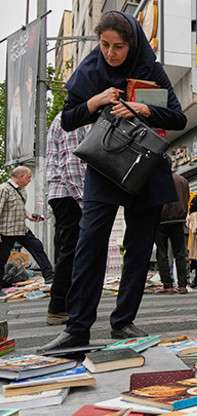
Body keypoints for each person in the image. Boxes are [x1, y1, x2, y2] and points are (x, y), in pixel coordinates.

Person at [39, 11, 187, 352]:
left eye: (118, 46)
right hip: (104, 164)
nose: (111, 53)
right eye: (104, 45)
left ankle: (123, 323)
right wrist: (97, 100)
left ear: (131, 43)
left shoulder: (150, 68)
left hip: (145, 166)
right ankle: (77, 328)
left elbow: (177, 117)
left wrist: (142, 108)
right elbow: (68, 120)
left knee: (137, 248)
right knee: (89, 244)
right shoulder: (90, 69)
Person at [45, 112, 87, 325]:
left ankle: (61, 304)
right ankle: (59, 306)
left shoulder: (65, 119)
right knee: (71, 251)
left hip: (61, 194)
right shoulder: (71, 119)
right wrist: (83, 200)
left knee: (66, 250)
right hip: (68, 194)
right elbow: (72, 165)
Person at [0, 166, 55, 286]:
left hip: (21, 229)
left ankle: (49, 275)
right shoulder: (4, 189)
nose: (30, 180)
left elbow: (18, 207)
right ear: (21, 176)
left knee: (37, 247)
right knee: (1, 259)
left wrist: (29, 216)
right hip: (6, 231)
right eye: (29, 177)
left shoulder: (22, 190)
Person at [154, 172, 190, 291]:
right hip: (178, 219)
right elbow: (187, 197)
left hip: (160, 220)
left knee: (162, 253)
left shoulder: (157, 179)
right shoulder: (182, 180)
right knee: (180, 253)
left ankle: (167, 284)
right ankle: (182, 284)